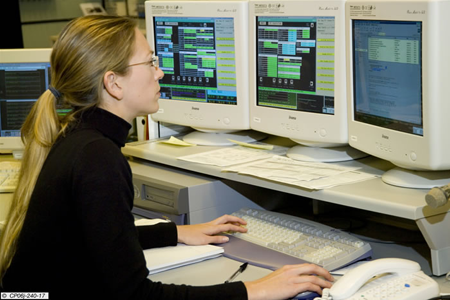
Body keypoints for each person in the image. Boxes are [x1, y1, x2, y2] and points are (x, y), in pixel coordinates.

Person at [0, 15, 333, 299]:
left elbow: (99, 240)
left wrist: (174, 233)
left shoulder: (77, 135)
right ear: (113, 83)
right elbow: (136, 296)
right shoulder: (98, 158)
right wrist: (255, 290)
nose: (159, 73)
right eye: (150, 62)